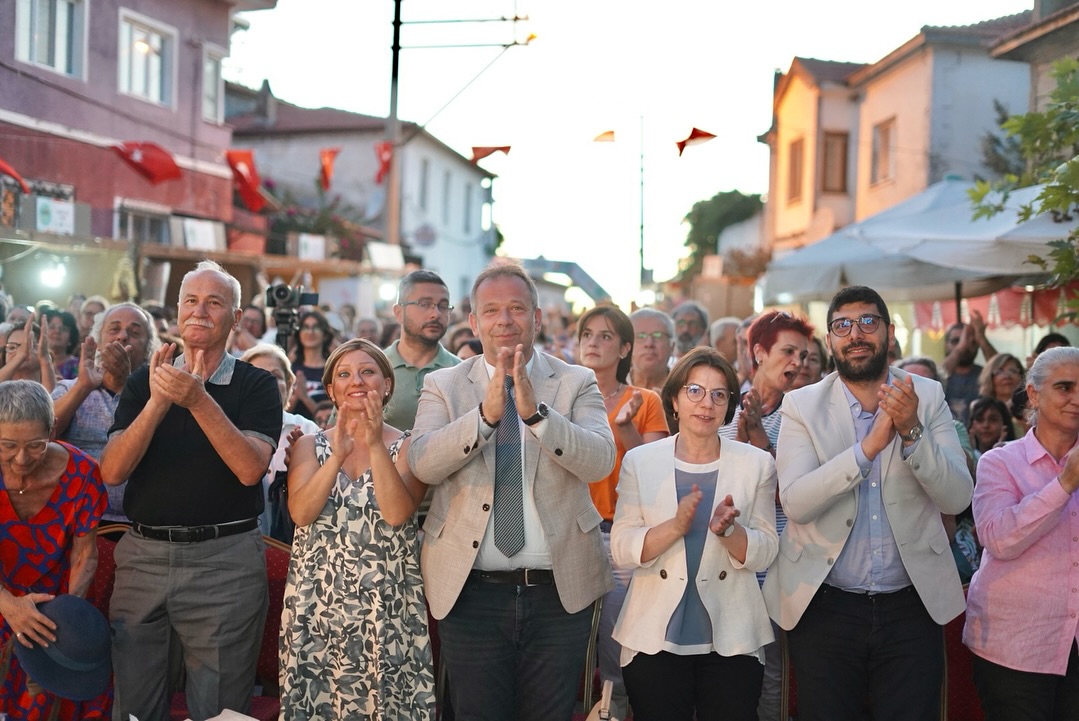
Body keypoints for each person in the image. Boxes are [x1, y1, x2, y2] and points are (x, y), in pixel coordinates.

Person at [408, 261, 615, 721]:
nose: (505, 320)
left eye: (517, 308)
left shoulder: (576, 381)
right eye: (492, 310)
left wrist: (537, 416)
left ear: (537, 318)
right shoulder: (442, 385)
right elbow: (421, 460)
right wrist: (483, 416)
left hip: (559, 593)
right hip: (471, 593)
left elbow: (601, 460)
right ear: (474, 321)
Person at [763, 285, 974, 721]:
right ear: (830, 341)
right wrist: (868, 449)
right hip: (825, 604)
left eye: (867, 322)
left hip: (911, 604)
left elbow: (957, 495)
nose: (855, 333)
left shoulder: (927, 396)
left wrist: (912, 430)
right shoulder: (801, 405)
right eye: (842, 325)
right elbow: (797, 502)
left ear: (888, 333)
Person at [100, 260, 282, 721]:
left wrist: (197, 398)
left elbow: (248, 469)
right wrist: (161, 401)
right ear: (177, 312)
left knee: (219, 711)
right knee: (134, 708)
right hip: (143, 557)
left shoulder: (257, 384)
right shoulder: (145, 380)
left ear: (236, 319)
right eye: (191, 301)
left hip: (224, 563)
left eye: (215, 302)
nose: (200, 311)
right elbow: (113, 470)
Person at [611, 348, 778, 721]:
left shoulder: (756, 464)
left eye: (719, 394)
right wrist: (675, 526)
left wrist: (729, 531)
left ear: (729, 405)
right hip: (653, 637)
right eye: (695, 391)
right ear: (674, 398)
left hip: (733, 638)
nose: (707, 403)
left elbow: (766, 550)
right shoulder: (641, 461)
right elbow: (621, 547)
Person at [280, 338, 434, 718]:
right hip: (317, 604)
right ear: (331, 389)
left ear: (386, 384)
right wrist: (337, 456)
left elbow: (397, 513)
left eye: (368, 372)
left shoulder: (410, 446)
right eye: (344, 374)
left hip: (385, 609)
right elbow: (301, 513)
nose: (357, 381)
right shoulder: (308, 445)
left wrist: (374, 443)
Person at [963, 346, 1079, 720]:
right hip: (1016, 648)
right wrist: (1065, 483)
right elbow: (998, 538)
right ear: (1033, 394)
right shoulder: (1000, 462)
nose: (1077, 399)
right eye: (1065, 387)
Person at [716, 309, 811, 720]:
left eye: (803, 356)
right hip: (720, 564)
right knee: (721, 668)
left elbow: (787, 494)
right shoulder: (717, 404)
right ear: (758, 352)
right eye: (788, 351)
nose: (797, 363)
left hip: (775, 567)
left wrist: (755, 434)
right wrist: (743, 430)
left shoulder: (803, 416)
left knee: (772, 673)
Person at [576, 305, 669, 719]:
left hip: (621, 534)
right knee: (572, 642)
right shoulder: (562, 399)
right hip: (571, 532)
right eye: (587, 335)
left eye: (606, 336)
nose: (593, 343)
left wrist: (626, 428)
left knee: (617, 644)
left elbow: (655, 473)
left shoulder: (644, 400)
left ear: (625, 347)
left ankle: (617, 710)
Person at [0, 380, 108, 719]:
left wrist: (62, 619)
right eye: (6, 445)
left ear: (52, 430)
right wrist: (9, 606)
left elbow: (84, 554)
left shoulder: (82, 473)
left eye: (35, 445)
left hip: (55, 604)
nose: (21, 459)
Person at [51, 303, 158, 524]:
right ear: (98, 342)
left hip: (139, 527)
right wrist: (83, 386)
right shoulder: (71, 388)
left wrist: (128, 385)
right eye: (114, 329)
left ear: (149, 348)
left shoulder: (160, 395)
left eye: (135, 332)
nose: (123, 336)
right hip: (75, 519)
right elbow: (43, 435)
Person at [239, 344, 319, 543]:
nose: (266, 382)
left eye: (275, 376)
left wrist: (300, 467)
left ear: (289, 383)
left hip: (290, 547)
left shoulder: (307, 430)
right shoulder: (228, 429)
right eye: (258, 375)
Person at [383, 270, 461, 432]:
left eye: (443, 306)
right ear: (399, 313)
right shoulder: (372, 368)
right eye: (424, 304)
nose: (436, 314)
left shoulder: (462, 372)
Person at [943, 310, 998, 423]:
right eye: (955, 341)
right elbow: (937, 374)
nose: (965, 346)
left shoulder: (985, 374)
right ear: (945, 345)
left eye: (972, 342)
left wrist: (982, 338)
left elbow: (1001, 367)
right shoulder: (938, 373)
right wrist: (960, 348)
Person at [289, 309, 333, 420]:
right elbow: (281, 414)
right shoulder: (290, 369)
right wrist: (295, 398)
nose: (310, 332)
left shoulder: (332, 370)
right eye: (305, 327)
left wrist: (305, 397)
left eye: (316, 327)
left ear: (325, 335)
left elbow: (332, 417)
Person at [1, 316, 57, 392]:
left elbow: (51, 400)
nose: (20, 351)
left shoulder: (61, 386)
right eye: (12, 347)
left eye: (28, 346)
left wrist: (45, 360)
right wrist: (20, 357)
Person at [628, 308, 674, 394]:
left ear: (672, 346)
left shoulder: (685, 389)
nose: (649, 344)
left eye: (658, 335)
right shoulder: (609, 387)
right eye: (641, 336)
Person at [978, 353, 1026, 437]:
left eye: (1013, 371)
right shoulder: (979, 410)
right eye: (1000, 371)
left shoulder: (1030, 411)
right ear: (990, 377)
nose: (1007, 376)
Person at [42, 310, 80, 380]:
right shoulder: (35, 362)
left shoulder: (78, 365)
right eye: (52, 327)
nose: (57, 331)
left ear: (71, 337)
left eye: (63, 329)